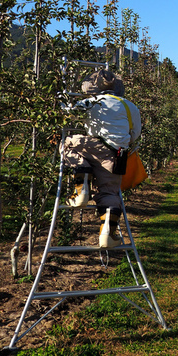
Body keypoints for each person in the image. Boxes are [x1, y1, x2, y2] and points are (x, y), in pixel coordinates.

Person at [63, 69, 141, 248]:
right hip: (117, 154)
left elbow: (68, 114)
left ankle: (81, 188)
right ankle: (107, 234)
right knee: (109, 193)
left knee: (65, 144)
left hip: (93, 146)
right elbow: (134, 134)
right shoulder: (131, 106)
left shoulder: (91, 102)